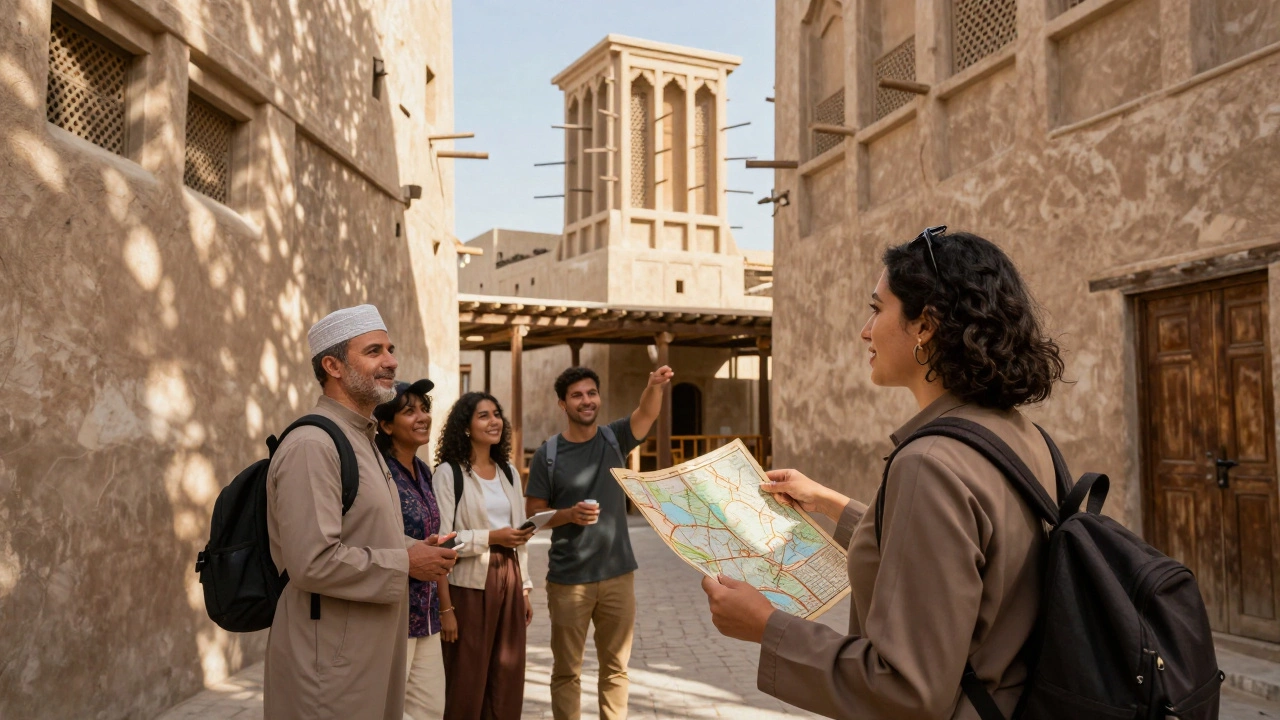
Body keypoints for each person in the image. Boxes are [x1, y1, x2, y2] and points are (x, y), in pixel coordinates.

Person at [701, 228, 1066, 720]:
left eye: (877, 309)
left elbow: (907, 688)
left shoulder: (929, 463)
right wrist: (830, 503)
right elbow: (952, 553)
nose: (865, 330)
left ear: (925, 326)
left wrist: (767, 626)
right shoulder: (1023, 436)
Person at [264, 305, 458, 720]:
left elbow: (361, 532)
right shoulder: (313, 445)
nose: (391, 361)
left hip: (366, 651)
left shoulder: (361, 439)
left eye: (390, 349)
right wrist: (406, 562)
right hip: (329, 662)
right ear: (333, 366)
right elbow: (311, 561)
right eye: (374, 351)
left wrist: (414, 548)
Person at [525, 364, 674, 720]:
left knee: (616, 669)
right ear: (563, 404)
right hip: (568, 579)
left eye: (591, 393)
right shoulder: (548, 454)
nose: (586, 400)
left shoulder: (615, 438)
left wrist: (654, 385)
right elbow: (534, 514)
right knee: (567, 671)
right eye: (577, 395)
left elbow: (647, 413)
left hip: (618, 575)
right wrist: (568, 515)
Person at [431, 392, 534, 720]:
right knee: (467, 680)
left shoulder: (509, 472)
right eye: (483, 416)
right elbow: (443, 542)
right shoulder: (449, 473)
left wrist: (525, 588)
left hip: (510, 577)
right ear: (466, 426)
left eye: (496, 414)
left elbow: (519, 534)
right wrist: (446, 609)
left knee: (507, 677)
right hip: (469, 586)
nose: (494, 421)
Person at [374, 378, 446, 720]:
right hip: (393, 617)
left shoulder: (423, 470)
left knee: (430, 710)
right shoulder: (379, 474)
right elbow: (374, 538)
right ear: (386, 426)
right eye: (409, 411)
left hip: (427, 615)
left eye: (424, 409)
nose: (422, 417)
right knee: (387, 710)